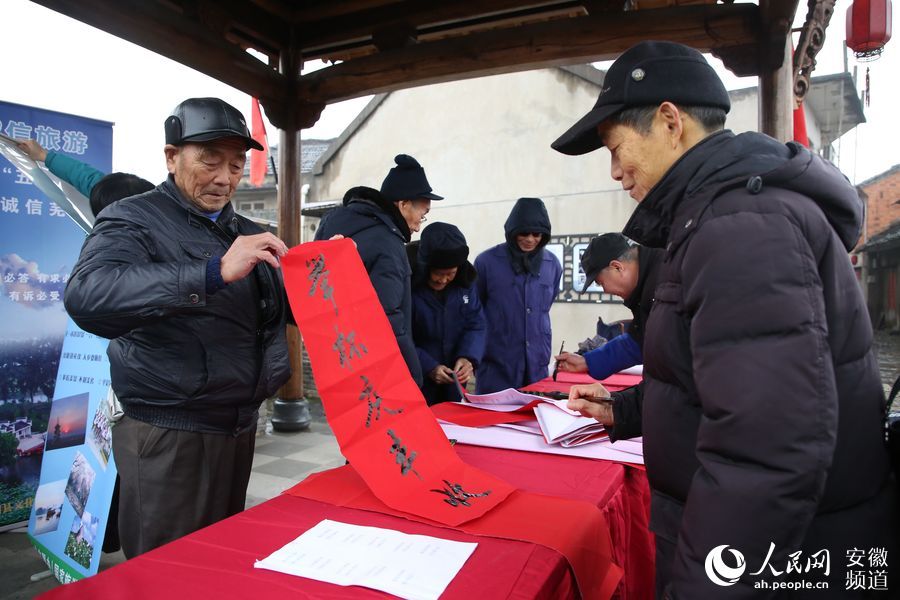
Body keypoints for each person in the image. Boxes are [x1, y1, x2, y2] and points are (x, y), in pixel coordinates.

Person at [553, 40, 897, 596]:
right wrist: (627, 409)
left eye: (617, 149)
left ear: (669, 122)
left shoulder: (742, 223)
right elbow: (719, 379)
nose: (615, 172)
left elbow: (764, 451)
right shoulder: (714, 217)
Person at [64, 97, 292, 558]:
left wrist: (329, 276)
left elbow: (277, 313)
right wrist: (209, 272)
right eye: (210, 160)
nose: (225, 178)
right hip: (169, 431)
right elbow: (88, 294)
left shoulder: (245, 230)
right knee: (166, 567)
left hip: (237, 425)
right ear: (172, 157)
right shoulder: (133, 218)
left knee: (220, 563)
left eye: (235, 163)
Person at [316, 154, 443, 387]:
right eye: (421, 215)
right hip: (374, 373)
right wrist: (413, 375)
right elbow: (388, 318)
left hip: (335, 355)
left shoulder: (333, 222)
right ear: (403, 204)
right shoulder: (388, 244)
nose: (419, 224)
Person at [474, 197, 562, 393]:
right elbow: (474, 312)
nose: (530, 239)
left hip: (537, 366)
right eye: (523, 233)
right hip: (496, 366)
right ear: (512, 232)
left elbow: (546, 306)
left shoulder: (552, 264)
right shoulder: (486, 263)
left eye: (537, 234)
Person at [555, 233, 662, 385]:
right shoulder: (650, 283)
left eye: (600, 283)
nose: (605, 290)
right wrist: (587, 362)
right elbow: (639, 342)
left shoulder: (665, 282)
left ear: (617, 267)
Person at [411, 222, 486, 405]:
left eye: (450, 273)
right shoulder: (408, 286)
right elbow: (399, 334)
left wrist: (467, 358)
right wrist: (428, 366)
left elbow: (476, 324)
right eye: (438, 273)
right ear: (425, 267)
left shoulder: (466, 285)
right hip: (415, 380)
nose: (443, 280)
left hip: (454, 381)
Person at [15, 138, 153, 216]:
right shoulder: (157, 204)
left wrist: (44, 156)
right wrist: (44, 156)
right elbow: (89, 180)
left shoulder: (105, 254)